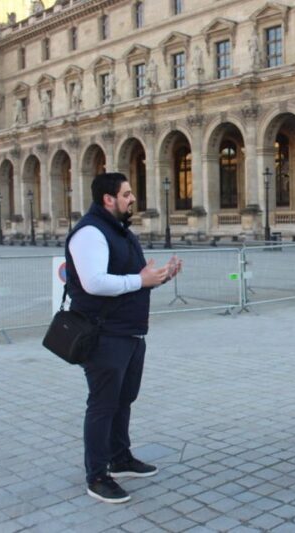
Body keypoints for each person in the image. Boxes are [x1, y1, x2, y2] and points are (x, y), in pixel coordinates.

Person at [66, 172, 183, 504]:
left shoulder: (120, 231)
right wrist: (140, 280)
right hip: (103, 334)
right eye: (127, 194)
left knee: (124, 399)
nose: (133, 198)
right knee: (103, 405)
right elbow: (95, 283)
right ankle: (97, 475)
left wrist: (160, 277)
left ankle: (120, 457)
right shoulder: (90, 233)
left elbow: (134, 279)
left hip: (129, 332)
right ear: (108, 199)